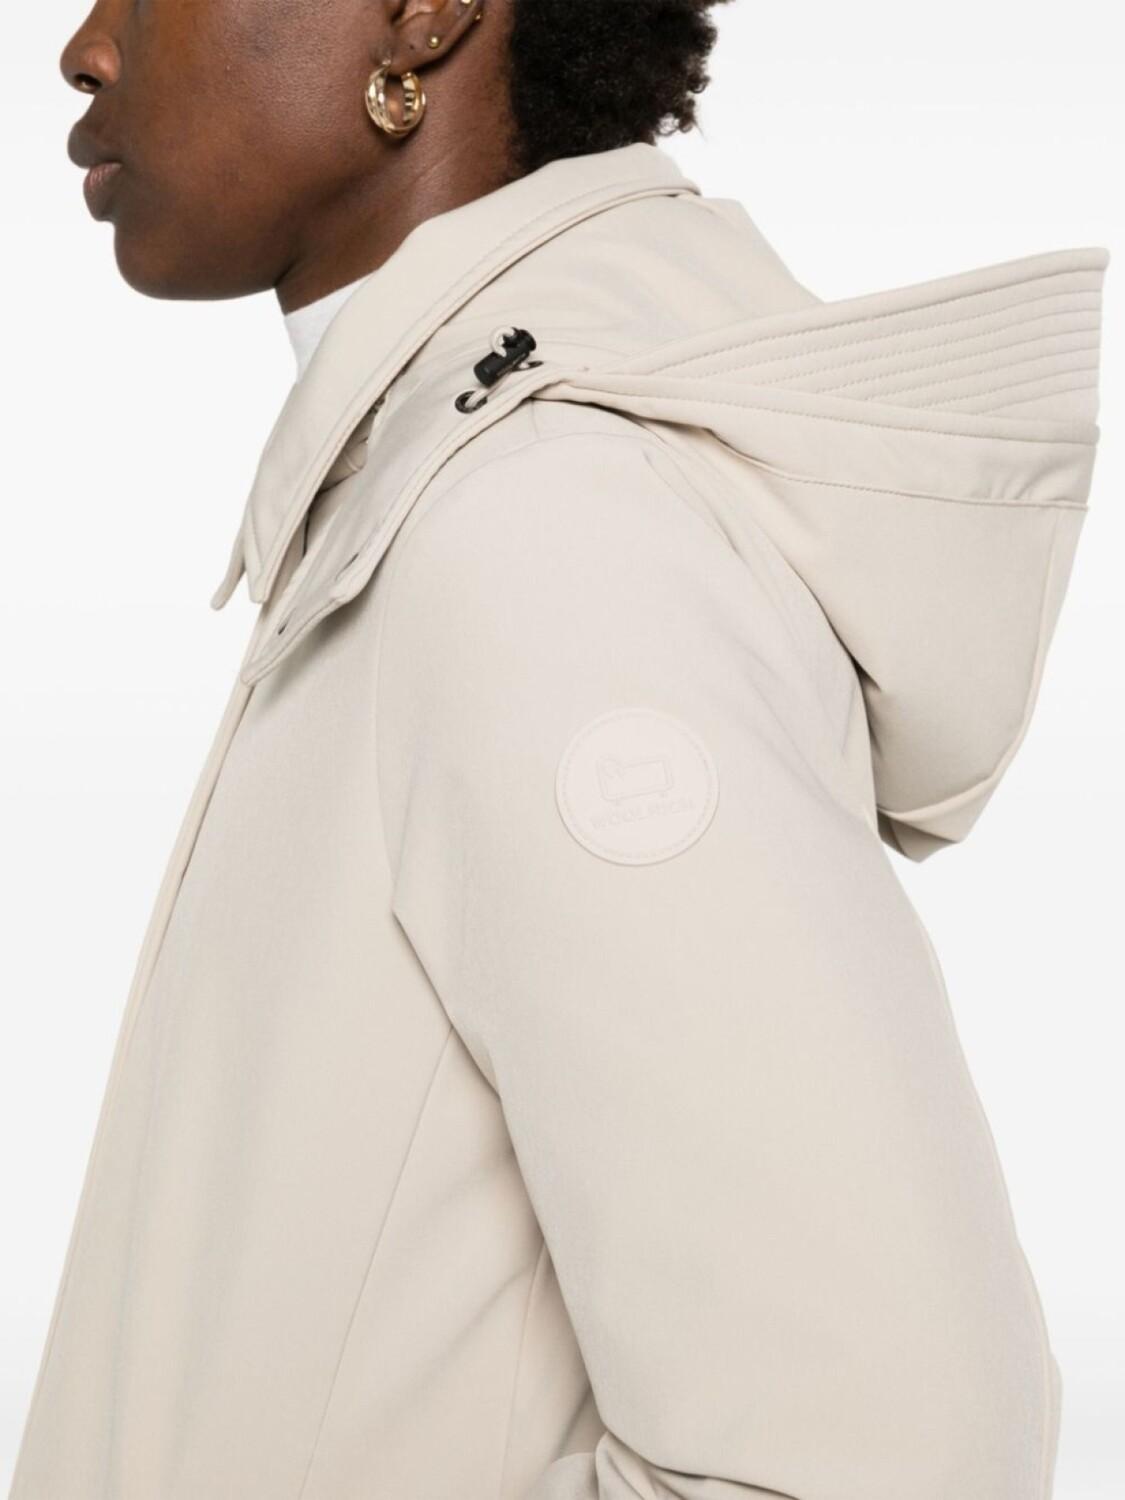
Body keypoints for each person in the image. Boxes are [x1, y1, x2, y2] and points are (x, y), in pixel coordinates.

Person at [12, 1, 1106, 1497]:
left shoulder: (546, 532)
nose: (86, 45)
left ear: (425, 13)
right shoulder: (447, 495)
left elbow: (885, 1454)